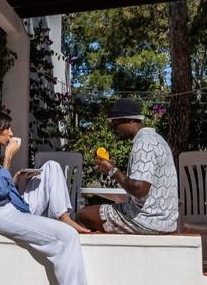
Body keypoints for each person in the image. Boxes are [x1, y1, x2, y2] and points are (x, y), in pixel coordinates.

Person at [0, 110, 114, 285]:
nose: (11, 133)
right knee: (68, 237)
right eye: (6, 128)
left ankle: (63, 216)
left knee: (52, 167)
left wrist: (16, 178)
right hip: (1, 212)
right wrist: (8, 157)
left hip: (14, 205)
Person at [76, 98, 179, 234]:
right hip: (165, 221)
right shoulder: (157, 139)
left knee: (82, 216)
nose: (112, 128)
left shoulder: (144, 144)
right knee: (99, 216)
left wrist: (112, 170)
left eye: (115, 123)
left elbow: (140, 190)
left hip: (146, 220)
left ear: (131, 121)